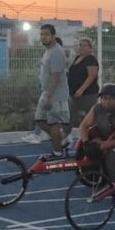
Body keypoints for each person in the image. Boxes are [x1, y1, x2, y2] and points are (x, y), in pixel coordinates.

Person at [75, 83, 115, 179]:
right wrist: (86, 143)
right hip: (102, 137)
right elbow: (84, 126)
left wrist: (102, 145)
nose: (107, 102)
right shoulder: (97, 108)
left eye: (111, 99)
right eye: (104, 98)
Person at [34, 23, 71, 159]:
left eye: (46, 34)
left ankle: (57, 151)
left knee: (53, 122)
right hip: (47, 92)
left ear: (53, 36)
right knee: (40, 120)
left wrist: (49, 96)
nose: (43, 37)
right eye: (41, 34)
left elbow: (55, 76)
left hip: (55, 95)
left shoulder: (56, 52)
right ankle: (62, 139)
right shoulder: (48, 50)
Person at [67, 38, 100, 137]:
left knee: (90, 116)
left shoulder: (91, 59)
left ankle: (95, 136)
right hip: (73, 93)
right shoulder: (77, 58)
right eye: (80, 45)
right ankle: (69, 135)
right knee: (70, 115)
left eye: (85, 45)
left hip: (88, 94)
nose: (81, 47)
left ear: (90, 48)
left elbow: (92, 76)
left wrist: (81, 89)